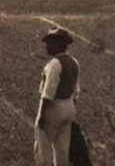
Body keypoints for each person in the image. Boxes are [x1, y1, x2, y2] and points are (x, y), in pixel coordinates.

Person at [35, 27, 80, 166]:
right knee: (62, 151)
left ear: (59, 45)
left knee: (43, 149)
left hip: (54, 108)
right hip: (69, 107)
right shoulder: (74, 62)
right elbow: (76, 90)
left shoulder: (54, 64)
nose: (47, 46)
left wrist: (42, 115)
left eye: (50, 43)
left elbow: (48, 92)